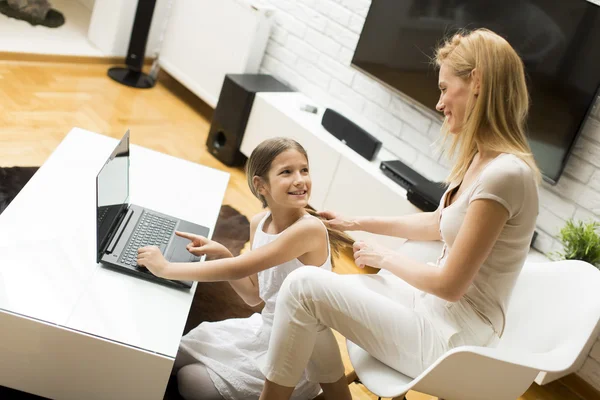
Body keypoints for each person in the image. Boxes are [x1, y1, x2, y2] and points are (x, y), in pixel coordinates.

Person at [257, 28, 541, 400]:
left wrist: (386, 257)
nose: (439, 104)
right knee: (313, 289)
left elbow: (450, 286)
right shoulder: (482, 159)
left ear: (476, 82)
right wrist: (355, 223)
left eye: (443, 88)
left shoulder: (507, 175)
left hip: (454, 340)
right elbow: (438, 223)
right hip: (430, 309)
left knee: (302, 286)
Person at [137, 138, 353, 400]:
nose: (300, 180)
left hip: (293, 350)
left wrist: (166, 268)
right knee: (176, 355)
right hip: (264, 330)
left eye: (304, 170)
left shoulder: (309, 230)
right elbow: (254, 296)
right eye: (287, 172)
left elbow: (240, 267)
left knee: (190, 380)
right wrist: (223, 254)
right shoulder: (259, 222)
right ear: (260, 185)